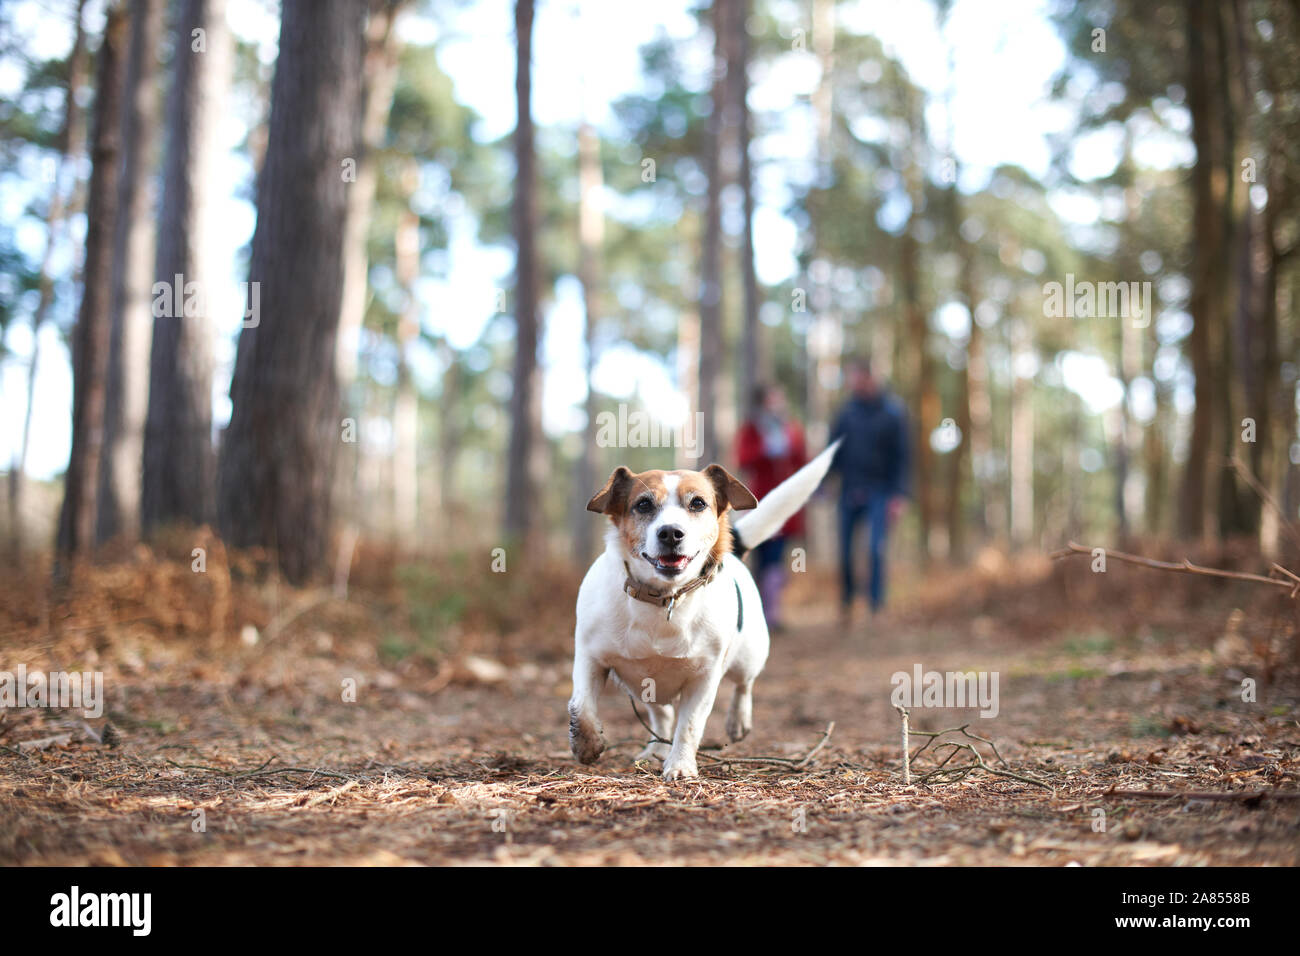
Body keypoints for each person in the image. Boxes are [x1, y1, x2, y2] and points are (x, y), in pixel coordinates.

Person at [829, 357, 909, 620]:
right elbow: (833, 453)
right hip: (850, 489)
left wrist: (899, 495)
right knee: (845, 551)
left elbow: (903, 457)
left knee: (876, 549)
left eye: (859, 379)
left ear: (871, 379)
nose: (855, 385)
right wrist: (823, 483)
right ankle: (847, 601)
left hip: (881, 492)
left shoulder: (893, 412)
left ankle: (876, 605)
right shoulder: (846, 413)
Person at [735, 384, 807, 632]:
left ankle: (772, 612)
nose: (777, 404)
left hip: (784, 504)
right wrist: (766, 450)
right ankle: (754, 610)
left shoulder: (791, 428)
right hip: (758, 502)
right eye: (772, 400)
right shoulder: (751, 429)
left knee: (776, 557)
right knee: (758, 557)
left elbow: (801, 460)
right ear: (763, 402)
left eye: (780, 399)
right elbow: (743, 459)